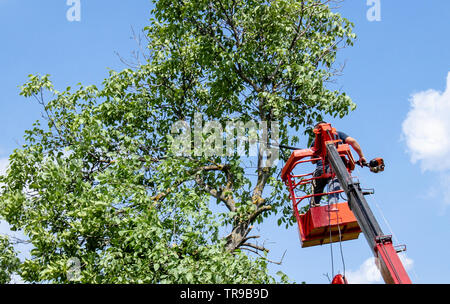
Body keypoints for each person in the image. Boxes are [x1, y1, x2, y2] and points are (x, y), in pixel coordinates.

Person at [310, 122, 366, 207]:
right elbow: (352, 141)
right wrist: (361, 156)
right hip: (337, 168)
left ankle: (313, 207)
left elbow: (313, 161)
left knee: (316, 193)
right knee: (334, 189)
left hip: (321, 170)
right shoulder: (339, 134)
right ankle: (333, 207)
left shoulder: (315, 141)